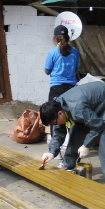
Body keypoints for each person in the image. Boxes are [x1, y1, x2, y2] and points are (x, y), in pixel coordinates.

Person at [39, 81, 105, 190]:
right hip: (91, 104)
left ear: (60, 113)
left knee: (104, 136)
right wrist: (51, 152)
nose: (55, 125)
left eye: (54, 122)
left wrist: (86, 146)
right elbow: (58, 132)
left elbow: (97, 125)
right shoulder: (57, 108)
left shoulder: (77, 108)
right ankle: (68, 164)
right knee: (77, 130)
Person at [44, 25, 80, 157]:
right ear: (68, 38)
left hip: (56, 89)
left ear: (55, 38)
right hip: (71, 89)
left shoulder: (52, 52)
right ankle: (73, 151)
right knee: (71, 119)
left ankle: (56, 151)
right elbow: (77, 68)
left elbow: (47, 71)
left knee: (55, 119)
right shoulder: (75, 51)